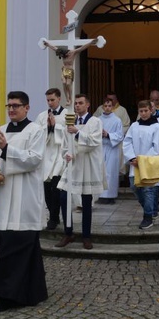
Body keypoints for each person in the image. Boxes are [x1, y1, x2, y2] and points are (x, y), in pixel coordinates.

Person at [0, 91, 47, 313]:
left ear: (27, 108)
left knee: (20, 247)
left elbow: (34, 160)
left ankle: (7, 294)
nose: (11, 109)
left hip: (25, 197)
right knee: (8, 244)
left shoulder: (35, 130)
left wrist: (7, 148)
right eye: (9, 105)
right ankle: (32, 290)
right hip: (4, 196)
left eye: (16, 106)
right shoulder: (0, 130)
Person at [56, 94, 104, 250]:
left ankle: (86, 236)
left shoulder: (95, 121)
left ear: (88, 105)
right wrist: (67, 154)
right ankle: (68, 233)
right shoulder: (70, 122)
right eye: (75, 103)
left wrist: (77, 132)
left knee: (86, 201)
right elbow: (63, 145)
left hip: (87, 166)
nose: (77, 105)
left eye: (80, 103)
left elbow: (94, 142)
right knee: (63, 196)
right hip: (73, 165)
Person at [123, 100, 159, 229]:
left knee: (148, 190)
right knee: (134, 187)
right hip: (134, 163)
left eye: (146, 111)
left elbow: (157, 146)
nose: (143, 113)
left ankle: (148, 217)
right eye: (141, 111)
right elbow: (127, 142)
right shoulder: (134, 126)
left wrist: (142, 160)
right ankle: (151, 209)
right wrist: (132, 158)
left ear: (150, 110)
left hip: (148, 163)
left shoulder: (157, 127)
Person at [36, 88, 67, 230]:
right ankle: (52, 214)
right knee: (46, 189)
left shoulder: (67, 114)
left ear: (59, 99)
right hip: (47, 155)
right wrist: (47, 128)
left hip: (60, 155)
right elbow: (36, 134)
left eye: (52, 100)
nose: (50, 103)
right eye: (48, 100)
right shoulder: (42, 116)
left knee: (56, 189)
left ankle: (54, 217)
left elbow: (69, 133)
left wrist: (56, 126)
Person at [41, 38, 98, 106]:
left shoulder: (72, 52)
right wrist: (47, 44)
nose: (63, 57)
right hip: (64, 70)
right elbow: (54, 48)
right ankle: (67, 99)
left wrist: (91, 42)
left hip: (70, 70)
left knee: (68, 84)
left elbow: (82, 48)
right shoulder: (62, 53)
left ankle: (70, 98)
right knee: (64, 83)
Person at [97, 98, 124, 204]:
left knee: (111, 172)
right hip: (101, 148)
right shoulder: (98, 120)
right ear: (103, 107)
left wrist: (108, 135)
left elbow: (120, 135)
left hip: (112, 149)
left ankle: (111, 195)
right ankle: (100, 195)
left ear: (113, 107)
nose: (107, 108)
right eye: (105, 106)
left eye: (109, 106)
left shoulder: (117, 120)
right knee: (101, 172)